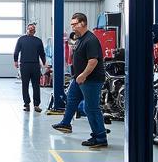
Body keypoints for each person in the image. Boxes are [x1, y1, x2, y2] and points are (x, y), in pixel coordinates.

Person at [51, 12, 107, 147]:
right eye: (71, 25)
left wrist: (83, 75)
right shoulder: (80, 38)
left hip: (91, 79)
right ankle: (66, 123)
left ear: (83, 23)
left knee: (91, 108)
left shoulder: (91, 40)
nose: (72, 27)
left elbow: (93, 61)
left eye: (74, 24)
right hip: (79, 78)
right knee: (71, 99)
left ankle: (100, 137)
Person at [13, 22, 47, 112]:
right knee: (25, 85)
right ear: (27, 29)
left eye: (33, 29)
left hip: (35, 65)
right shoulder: (21, 39)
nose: (31, 30)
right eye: (30, 28)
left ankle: (36, 105)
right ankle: (27, 104)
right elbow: (16, 51)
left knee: (36, 85)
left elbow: (42, 53)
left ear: (34, 31)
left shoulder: (38, 41)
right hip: (25, 65)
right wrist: (16, 61)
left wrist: (44, 63)